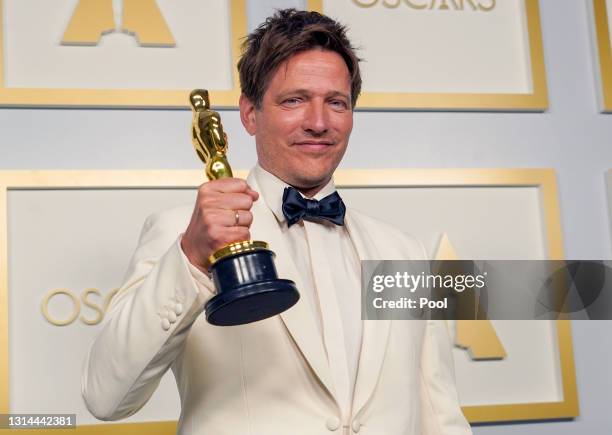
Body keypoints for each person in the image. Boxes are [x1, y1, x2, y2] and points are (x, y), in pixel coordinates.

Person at [82, 8, 472, 435]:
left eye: (336, 103)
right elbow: (106, 397)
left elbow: (440, 412)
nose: (319, 123)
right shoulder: (181, 234)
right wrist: (191, 257)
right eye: (294, 100)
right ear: (250, 114)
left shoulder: (403, 250)